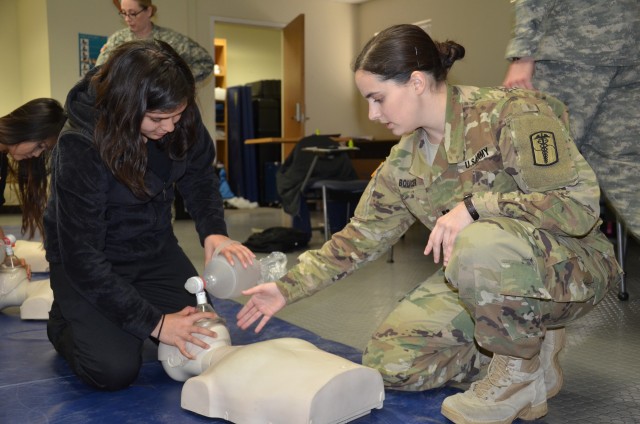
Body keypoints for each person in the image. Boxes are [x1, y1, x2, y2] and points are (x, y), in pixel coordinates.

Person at [236, 24, 621, 424]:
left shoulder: (510, 113)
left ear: (416, 82)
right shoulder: (404, 163)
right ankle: (530, 344)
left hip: (571, 267)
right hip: (481, 276)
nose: (373, 114)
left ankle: (516, 373)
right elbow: (358, 239)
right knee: (392, 363)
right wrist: (285, 289)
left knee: (480, 240)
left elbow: (577, 206)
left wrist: (475, 208)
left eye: (378, 98)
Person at [44, 39, 254, 391]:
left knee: (205, 337)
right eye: (158, 119)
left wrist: (213, 231)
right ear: (126, 108)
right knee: (113, 371)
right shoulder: (78, 145)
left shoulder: (176, 112)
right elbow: (83, 257)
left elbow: (199, 174)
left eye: (177, 115)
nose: (170, 127)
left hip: (153, 249)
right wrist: (157, 325)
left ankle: (130, 319)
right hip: (89, 261)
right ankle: (64, 322)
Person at [502, 0, 640, 240]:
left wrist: (523, 53)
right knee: (627, 169)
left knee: (542, 168)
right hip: (629, 43)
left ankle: (521, 266)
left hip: (569, 46)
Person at [96, 0, 213, 83]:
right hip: (126, 107)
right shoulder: (117, 41)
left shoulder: (171, 40)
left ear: (148, 11)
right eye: (123, 13)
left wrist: (175, 81)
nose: (127, 19)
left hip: (162, 107)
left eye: (133, 13)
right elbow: (98, 73)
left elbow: (205, 63)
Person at [0, 98, 66, 242]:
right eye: (40, 145)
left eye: (43, 149)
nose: (37, 154)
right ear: (26, 128)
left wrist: (5, 252)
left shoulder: (2, 159)